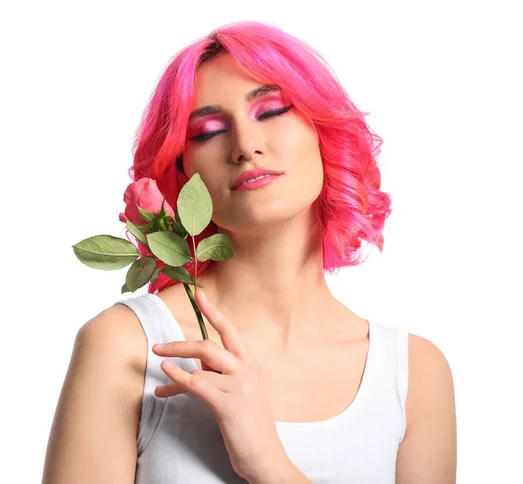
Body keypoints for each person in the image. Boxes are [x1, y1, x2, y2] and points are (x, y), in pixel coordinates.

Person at [42, 21, 457, 484]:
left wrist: (268, 465)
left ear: (322, 130)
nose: (245, 145)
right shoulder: (127, 346)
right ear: (182, 167)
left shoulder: (413, 374)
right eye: (208, 131)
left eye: (272, 109)